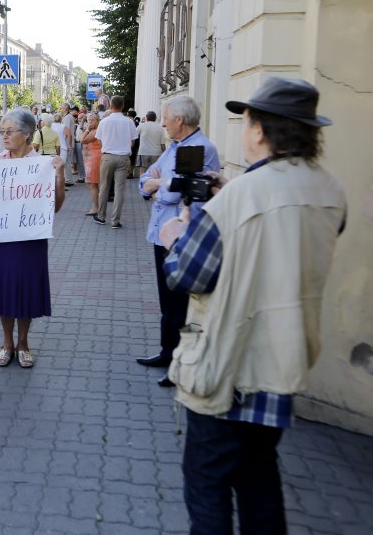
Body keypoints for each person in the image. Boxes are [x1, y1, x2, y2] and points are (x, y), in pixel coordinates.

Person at [159, 77, 346, 534]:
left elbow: (188, 276)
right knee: (260, 479)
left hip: (228, 364)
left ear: (260, 131)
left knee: (208, 486)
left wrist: (177, 235)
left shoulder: (240, 197)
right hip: (283, 362)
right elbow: (278, 242)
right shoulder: (327, 189)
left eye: (246, 121)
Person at [136, 97, 219, 388]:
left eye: (167, 118)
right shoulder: (174, 147)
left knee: (179, 303)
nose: (163, 123)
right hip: (163, 233)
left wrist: (157, 185)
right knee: (167, 301)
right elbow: (144, 182)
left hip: (184, 237)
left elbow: (173, 194)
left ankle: (179, 363)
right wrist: (154, 184)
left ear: (180, 120)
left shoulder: (199, 149)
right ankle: (166, 352)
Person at [0, 108, 66, 368]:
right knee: (5, 290)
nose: (4, 136)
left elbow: (56, 206)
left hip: (30, 239)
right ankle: (7, 343)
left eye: (9, 131)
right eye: (2, 131)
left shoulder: (43, 165)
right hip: (0, 238)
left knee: (26, 290)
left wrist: (59, 175)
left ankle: (24, 343)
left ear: (26, 135)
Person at [94, 95, 138, 229]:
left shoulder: (104, 121)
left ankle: (101, 216)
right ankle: (115, 221)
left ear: (110, 106)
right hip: (123, 157)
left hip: (107, 156)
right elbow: (133, 142)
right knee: (119, 190)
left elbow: (99, 140)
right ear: (123, 106)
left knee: (104, 187)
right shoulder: (129, 122)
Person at [81, 112, 102, 215]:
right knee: (91, 183)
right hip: (90, 158)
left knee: (92, 183)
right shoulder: (93, 130)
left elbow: (82, 140)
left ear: (98, 121)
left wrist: (87, 129)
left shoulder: (95, 131)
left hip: (94, 158)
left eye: (92, 120)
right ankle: (96, 206)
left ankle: (95, 208)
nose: (90, 122)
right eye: (89, 120)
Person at [136, 111, 165, 175]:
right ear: (155, 118)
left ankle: (143, 184)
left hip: (143, 152)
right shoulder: (160, 128)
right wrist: (164, 154)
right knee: (155, 173)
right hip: (156, 153)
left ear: (146, 118)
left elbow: (135, 136)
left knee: (142, 172)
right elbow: (162, 144)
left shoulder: (142, 126)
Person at [51, 107, 74, 187]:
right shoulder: (63, 126)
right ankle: (61, 185)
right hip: (63, 147)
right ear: (61, 119)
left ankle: (54, 184)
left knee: (54, 166)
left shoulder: (51, 126)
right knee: (62, 166)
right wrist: (69, 145)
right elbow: (69, 136)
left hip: (54, 147)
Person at [60, 103, 77, 185]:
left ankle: (68, 180)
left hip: (67, 144)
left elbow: (67, 132)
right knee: (67, 162)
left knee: (67, 162)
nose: (60, 109)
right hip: (68, 143)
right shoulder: (68, 117)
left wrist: (68, 145)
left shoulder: (67, 117)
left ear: (66, 108)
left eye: (62, 108)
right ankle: (68, 179)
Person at [74, 108, 86, 183]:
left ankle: (82, 177)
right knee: (79, 161)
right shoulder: (78, 125)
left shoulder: (85, 125)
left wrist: (83, 120)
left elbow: (82, 128)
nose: (78, 119)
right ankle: (82, 176)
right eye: (78, 118)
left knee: (81, 161)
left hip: (81, 144)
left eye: (80, 118)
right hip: (77, 143)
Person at [128, 109, 140, 177]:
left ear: (129, 116)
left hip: (131, 142)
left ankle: (129, 173)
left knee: (130, 158)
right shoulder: (136, 122)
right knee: (132, 158)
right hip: (135, 143)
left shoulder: (131, 122)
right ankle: (130, 172)